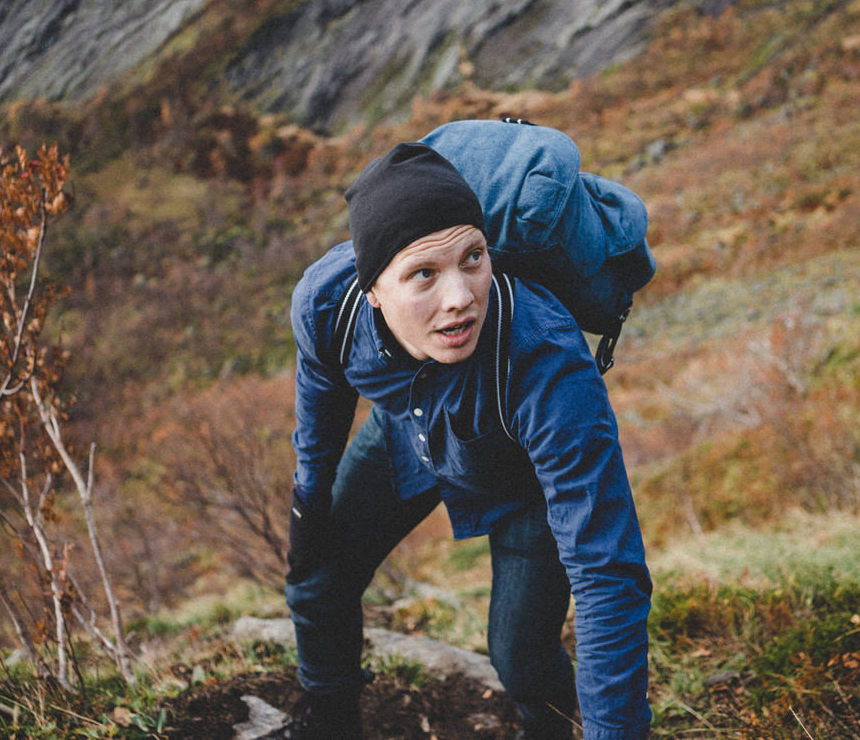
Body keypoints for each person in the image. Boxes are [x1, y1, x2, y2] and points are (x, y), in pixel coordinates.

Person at [278, 142, 652, 739]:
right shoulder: (329, 306)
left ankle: (548, 726)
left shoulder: (546, 361)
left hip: (523, 481)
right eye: (423, 273)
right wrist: (307, 501)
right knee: (317, 575)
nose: (459, 297)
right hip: (408, 432)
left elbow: (607, 572)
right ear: (372, 289)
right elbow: (320, 400)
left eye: (473, 258)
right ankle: (329, 718)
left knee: (520, 657)